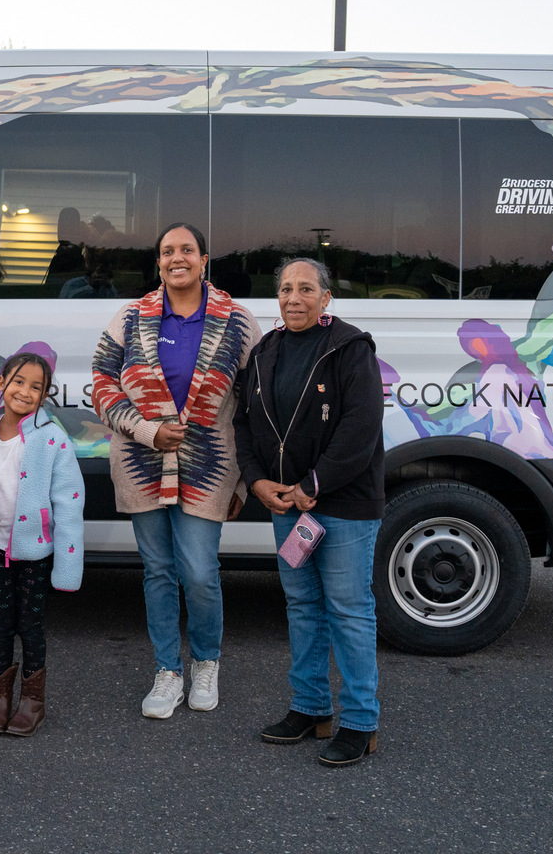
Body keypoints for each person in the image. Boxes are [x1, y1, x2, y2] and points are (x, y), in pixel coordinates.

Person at [90, 222, 262, 719]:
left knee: (200, 572)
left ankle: (205, 662)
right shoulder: (131, 316)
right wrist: (145, 430)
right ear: (159, 261)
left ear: (205, 260)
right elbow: (101, 380)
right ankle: (168, 670)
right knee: (159, 572)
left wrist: (248, 476)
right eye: (168, 251)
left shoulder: (238, 321)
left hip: (210, 465)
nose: (177, 258)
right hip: (141, 463)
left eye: (187, 249)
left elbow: (255, 400)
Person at [233, 257, 385, 767]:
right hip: (286, 505)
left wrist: (310, 485)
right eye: (284, 289)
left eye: (304, 289)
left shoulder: (349, 348)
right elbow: (245, 424)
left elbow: (360, 429)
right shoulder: (265, 351)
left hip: (340, 505)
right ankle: (311, 708)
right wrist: (257, 481)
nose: (293, 298)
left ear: (326, 297)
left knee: (348, 609)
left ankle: (361, 723)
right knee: (302, 606)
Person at [0, 350, 85, 736]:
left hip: (35, 554)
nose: (25, 391)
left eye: (36, 387)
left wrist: (67, 566)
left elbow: (70, 503)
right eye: (19, 381)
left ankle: (32, 703)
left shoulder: (52, 439)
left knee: (30, 626)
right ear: (3, 381)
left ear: (45, 395)